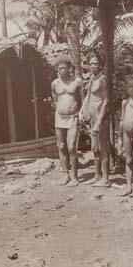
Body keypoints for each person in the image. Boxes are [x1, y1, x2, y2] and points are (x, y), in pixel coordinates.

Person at [51, 55, 84, 186]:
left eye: (65, 67)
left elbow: (83, 99)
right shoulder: (54, 83)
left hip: (73, 117)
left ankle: (75, 177)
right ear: (57, 69)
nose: (63, 70)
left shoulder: (77, 81)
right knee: (61, 146)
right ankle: (66, 175)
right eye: (60, 68)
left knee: (71, 147)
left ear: (69, 68)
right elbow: (55, 100)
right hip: (59, 117)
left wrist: (80, 113)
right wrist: (61, 110)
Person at [80, 51, 111, 187]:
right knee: (95, 148)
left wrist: (98, 122)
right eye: (91, 63)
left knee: (103, 148)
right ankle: (97, 175)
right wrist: (82, 110)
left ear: (100, 66)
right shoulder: (92, 78)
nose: (92, 66)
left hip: (100, 119)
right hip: (91, 118)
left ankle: (105, 178)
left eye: (95, 64)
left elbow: (105, 101)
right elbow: (88, 96)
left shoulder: (103, 80)